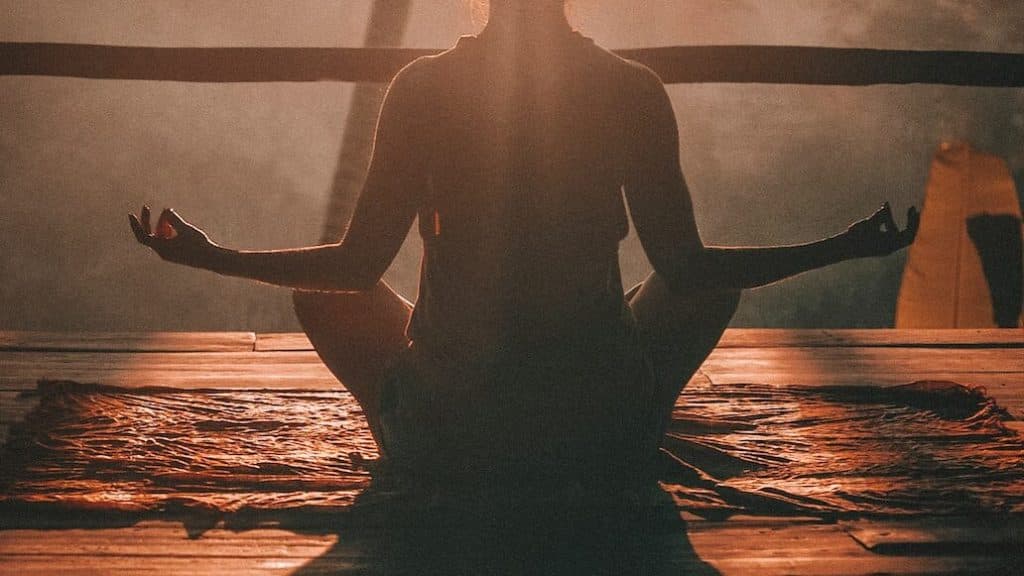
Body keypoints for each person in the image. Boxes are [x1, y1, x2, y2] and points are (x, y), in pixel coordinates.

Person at [130, 0, 918, 491]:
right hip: (593, 429)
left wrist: (213, 255)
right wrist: (841, 246)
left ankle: (411, 447)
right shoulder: (629, 89)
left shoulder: (424, 89)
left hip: (453, 434)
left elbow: (355, 268)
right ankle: (633, 430)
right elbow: (688, 269)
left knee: (323, 295)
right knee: (708, 285)